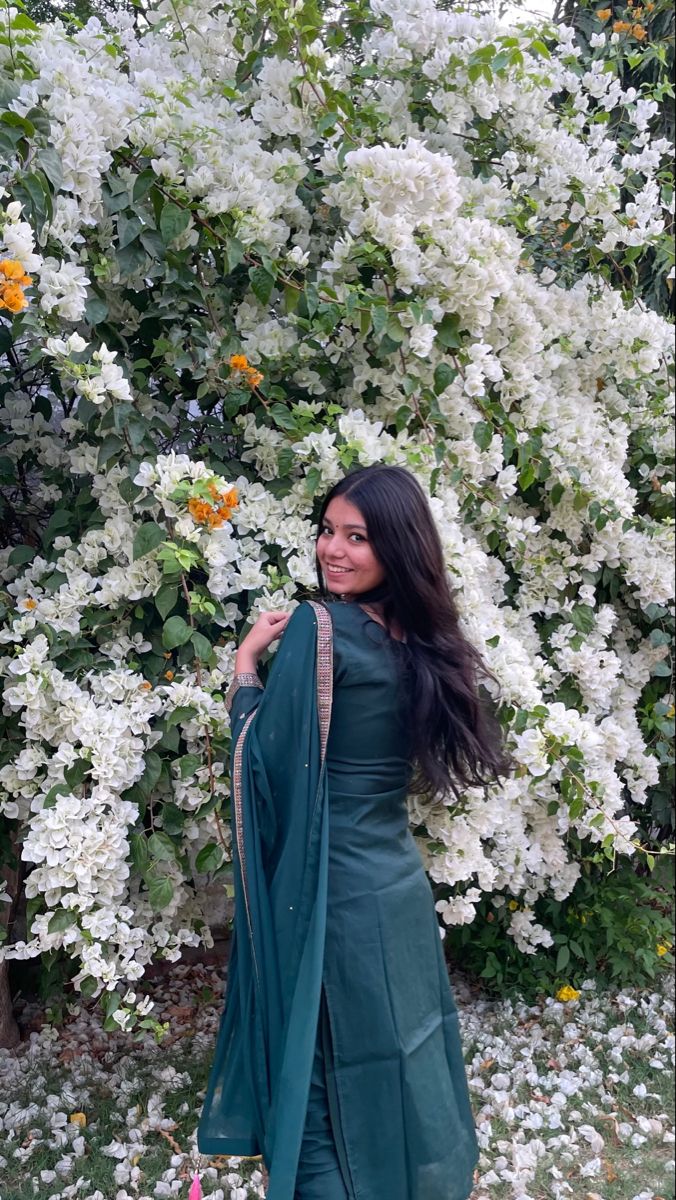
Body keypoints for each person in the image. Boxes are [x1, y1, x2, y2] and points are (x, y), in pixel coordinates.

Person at [198, 464, 510, 1200]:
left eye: (357, 537)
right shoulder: (421, 638)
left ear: (396, 547)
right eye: (328, 531)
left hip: (329, 894)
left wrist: (245, 670)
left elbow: (264, 766)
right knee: (401, 1054)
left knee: (315, 1080)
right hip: (398, 889)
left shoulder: (319, 628)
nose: (331, 550)